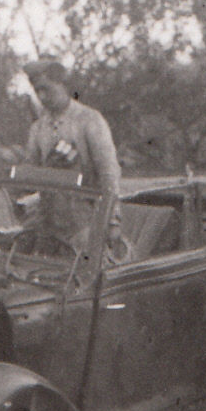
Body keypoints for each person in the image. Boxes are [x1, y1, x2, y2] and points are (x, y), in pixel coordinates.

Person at [22, 59, 128, 261]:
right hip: (48, 226)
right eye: (37, 91)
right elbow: (29, 173)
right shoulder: (38, 128)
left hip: (84, 224)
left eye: (46, 89)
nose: (42, 97)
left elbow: (109, 173)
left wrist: (112, 221)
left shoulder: (89, 120)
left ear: (62, 84)